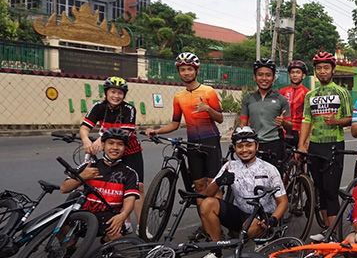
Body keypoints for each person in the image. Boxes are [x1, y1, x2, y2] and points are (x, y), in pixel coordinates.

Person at [194, 126, 288, 258]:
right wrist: (220, 181)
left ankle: (263, 242)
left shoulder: (269, 169)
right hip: (242, 214)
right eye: (240, 146)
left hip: (263, 216)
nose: (244, 150)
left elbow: (283, 202)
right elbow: (207, 194)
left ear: (257, 146)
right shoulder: (230, 166)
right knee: (207, 204)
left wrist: (274, 219)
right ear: (234, 148)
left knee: (251, 227)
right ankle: (216, 251)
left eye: (249, 145)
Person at [145, 52, 223, 194]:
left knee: (213, 184)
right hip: (192, 142)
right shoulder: (178, 97)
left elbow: (220, 118)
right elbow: (175, 124)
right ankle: (204, 215)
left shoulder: (208, 91)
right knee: (199, 186)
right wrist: (156, 131)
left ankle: (218, 214)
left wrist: (207, 109)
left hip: (210, 141)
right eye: (183, 70)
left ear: (196, 70)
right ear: (179, 73)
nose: (186, 73)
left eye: (190, 69)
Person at [298, 51, 352, 230]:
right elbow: (307, 120)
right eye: (319, 68)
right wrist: (301, 144)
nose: (322, 71)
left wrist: (337, 121)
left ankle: (334, 234)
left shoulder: (341, 92)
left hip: (334, 145)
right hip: (315, 146)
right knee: (320, 190)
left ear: (333, 70)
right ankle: (327, 231)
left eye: (326, 68)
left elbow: (351, 118)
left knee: (330, 190)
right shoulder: (310, 95)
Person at [80, 76, 145, 223]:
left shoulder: (129, 109)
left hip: (130, 151)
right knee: (115, 186)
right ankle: (124, 222)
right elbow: (84, 128)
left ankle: (143, 225)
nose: (116, 96)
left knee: (138, 187)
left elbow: (125, 134)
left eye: (120, 93)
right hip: (111, 151)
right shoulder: (98, 107)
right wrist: (86, 140)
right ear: (106, 92)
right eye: (113, 92)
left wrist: (100, 139)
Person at [60, 128, 140, 246]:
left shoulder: (130, 173)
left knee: (116, 236)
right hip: (83, 215)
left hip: (108, 218)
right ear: (103, 145)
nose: (115, 147)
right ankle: (69, 248)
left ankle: (106, 247)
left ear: (124, 148)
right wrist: (82, 176)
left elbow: (129, 199)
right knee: (57, 223)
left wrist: (122, 216)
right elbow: (64, 188)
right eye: (111, 143)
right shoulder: (90, 166)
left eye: (120, 144)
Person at [240, 58, 290, 167]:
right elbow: (243, 124)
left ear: (273, 78)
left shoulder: (281, 99)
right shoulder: (248, 98)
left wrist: (283, 123)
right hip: (253, 145)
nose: (264, 78)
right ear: (254, 77)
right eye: (260, 75)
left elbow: (290, 126)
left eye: (268, 75)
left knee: (275, 180)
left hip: (275, 144)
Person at [279, 60, 310, 148]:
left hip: (300, 131)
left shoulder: (307, 93)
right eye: (292, 72)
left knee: (300, 160)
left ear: (303, 75)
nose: (295, 75)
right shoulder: (282, 92)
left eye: (298, 72)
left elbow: (310, 119)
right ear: (289, 75)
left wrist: (306, 140)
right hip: (284, 131)